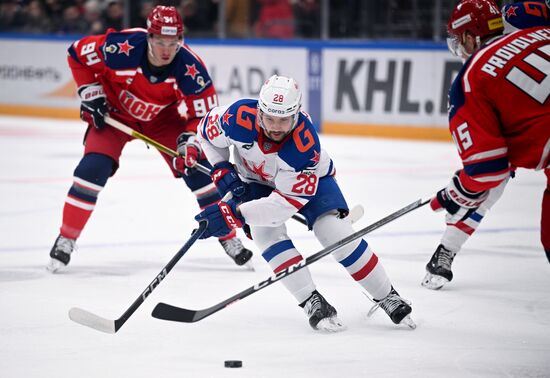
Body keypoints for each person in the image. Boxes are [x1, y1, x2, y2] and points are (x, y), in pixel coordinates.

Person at [186, 75, 415, 331]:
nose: (275, 126)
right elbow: (205, 135)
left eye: (283, 119)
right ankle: (311, 301)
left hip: (311, 181)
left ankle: (387, 295)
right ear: (259, 110)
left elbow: (281, 207)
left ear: (295, 115)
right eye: (270, 118)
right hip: (257, 181)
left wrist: (234, 214)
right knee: (265, 234)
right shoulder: (237, 116)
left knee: (334, 233)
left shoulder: (304, 149)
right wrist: (219, 167)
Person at [47, 5, 252, 272]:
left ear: (181, 39)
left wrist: (189, 140)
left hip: (162, 122)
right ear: (149, 37)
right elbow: (76, 54)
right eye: (160, 41)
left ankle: (228, 238)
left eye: (173, 42)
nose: (166, 49)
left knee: (199, 172)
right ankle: (66, 237)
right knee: (91, 170)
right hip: (115, 115)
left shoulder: (192, 70)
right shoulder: (121, 47)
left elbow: (202, 117)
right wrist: (90, 92)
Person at [422, 0, 550, 290]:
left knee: (489, 181)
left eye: (459, 39)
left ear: (470, 36)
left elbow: (486, 172)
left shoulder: (471, 80)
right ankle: (446, 251)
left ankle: (447, 249)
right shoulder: (531, 22)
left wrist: (457, 190)